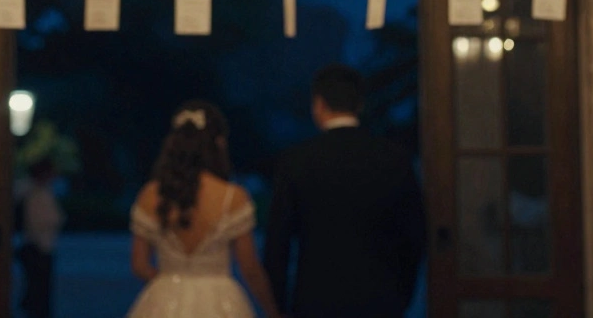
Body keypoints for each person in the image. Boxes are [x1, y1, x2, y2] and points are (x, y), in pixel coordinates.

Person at [264, 64, 426, 318]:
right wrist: (401, 295)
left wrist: (279, 305)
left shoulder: (296, 160)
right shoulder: (394, 159)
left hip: (315, 299)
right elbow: (414, 236)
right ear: (359, 105)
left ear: (319, 105)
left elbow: (277, 244)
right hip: (380, 299)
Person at [127, 100, 284, 318]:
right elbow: (249, 267)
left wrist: (171, 284)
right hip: (220, 300)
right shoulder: (232, 197)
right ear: (218, 143)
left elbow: (140, 265)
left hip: (165, 299)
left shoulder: (150, 194)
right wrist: (273, 311)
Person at [20, 158, 64, 318]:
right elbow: (42, 221)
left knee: (40, 291)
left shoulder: (41, 192)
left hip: (43, 247)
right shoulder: (36, 193)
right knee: (38, 292)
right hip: (38, 247)